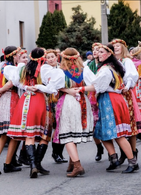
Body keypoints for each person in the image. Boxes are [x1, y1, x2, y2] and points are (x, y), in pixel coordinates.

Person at [78, 44, 138, 173]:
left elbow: (99, 87)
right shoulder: (111, 67)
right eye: (98, 52)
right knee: (101, 132)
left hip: (110, 101)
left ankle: (132, 162)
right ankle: (113, 158)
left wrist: (80, 89)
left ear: (109, 54)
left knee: (117, 134)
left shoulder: (106, 69)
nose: (99, 54)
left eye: (102, 52)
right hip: (111, 100)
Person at [7, 47, 65, 178]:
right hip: (41, 100)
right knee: (45, 133)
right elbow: (51, 88)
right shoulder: (45, 69)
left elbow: (17, 83)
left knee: (29, 134)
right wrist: (38, 87)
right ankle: (37, 164)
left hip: (26, 100)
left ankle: (33, 165)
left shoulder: (23, 68)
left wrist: (27, 87)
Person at [53, 48, 93, 177]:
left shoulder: (60, 72)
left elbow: (53, 87)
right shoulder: (84, 69)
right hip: (82, 100)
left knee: (66, 133)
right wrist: (81, 89)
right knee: (74, 131)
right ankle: (72, 161)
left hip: (69, 102)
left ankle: (77, 165)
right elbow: (96, 84)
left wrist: (67, 90)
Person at [0, 46, 21, 175]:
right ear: (13, 56)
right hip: (11, 99)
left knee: (3, 134)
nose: (18, 56)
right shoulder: (12, 68)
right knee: (13, 134)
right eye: (17, 54)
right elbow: (12, 83)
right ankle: (7, 164)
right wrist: (2, 90)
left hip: (1, 100)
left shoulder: (1, 66)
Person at [111, 39, 141, 166]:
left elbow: (132, 76)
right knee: (120, 126)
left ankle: (133, 152)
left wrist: (127, 86)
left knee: (130, 125)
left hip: (125, 94)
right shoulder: (112, 62)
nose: (116, 48)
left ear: (123, 48)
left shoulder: (127, 61)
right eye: (114, 46)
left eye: (118, 46)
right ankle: (124, 152)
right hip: (114, 94)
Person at [45, 49, 68, 164]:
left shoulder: (61, 69)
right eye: (48, 57)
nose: (50, 59)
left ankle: (59, 152)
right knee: (56, 126)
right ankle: (55, 152)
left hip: (62, 97)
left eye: (52, 57)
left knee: (62, 125)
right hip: (52, 99)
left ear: (56, 57)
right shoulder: (45, 71)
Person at [87, 42, 105, 161]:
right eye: (93, 49)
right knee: (93, 124)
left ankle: (110, 150)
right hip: (91, 94)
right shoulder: (89, 64)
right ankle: (99, 147)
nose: (95, 51)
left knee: (104, 123)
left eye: (98, 49)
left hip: (102, 93)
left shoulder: (105, 65)